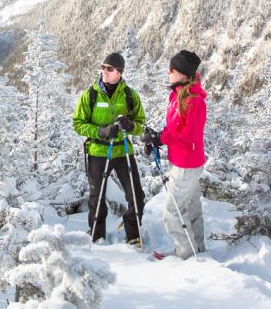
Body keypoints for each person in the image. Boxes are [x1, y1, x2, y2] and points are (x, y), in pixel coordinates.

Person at [72, 52, 146, 244]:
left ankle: (133, 234)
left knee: (136, 195)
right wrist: (102, 132)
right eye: (103, 67)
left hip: (123, 151)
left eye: (109, 68)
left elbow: (141, 125)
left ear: (119, 72)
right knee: (97, 198)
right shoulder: (91, 94)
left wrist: (131, 126)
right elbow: (78, 124)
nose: (104, 71)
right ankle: (97, 237)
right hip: (98, 151)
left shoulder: (130, 95)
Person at [142, 50, 207, 258]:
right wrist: (158, 137)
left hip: (187, 164)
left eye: (172, 69)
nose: (168, 72)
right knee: (190, 207)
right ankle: (196, 249)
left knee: (172, 211)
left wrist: (162, 138)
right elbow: (175, 128)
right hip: (182, 161)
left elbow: (188, 136)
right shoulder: (177, 95)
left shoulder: (195, 101)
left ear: (184, 75)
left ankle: (186, 254)